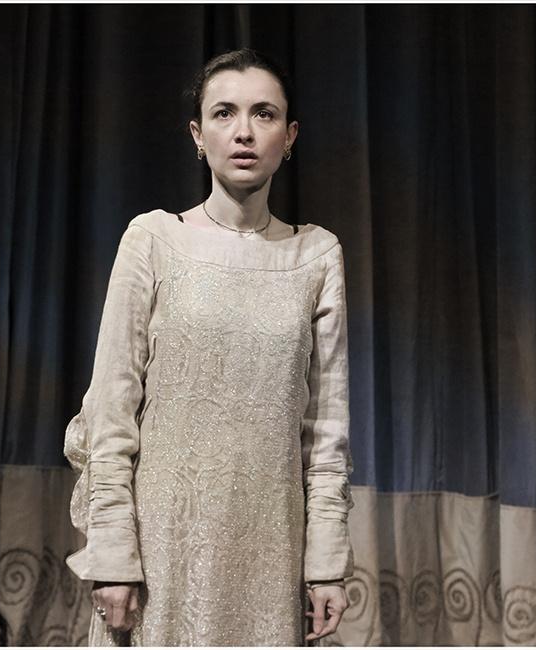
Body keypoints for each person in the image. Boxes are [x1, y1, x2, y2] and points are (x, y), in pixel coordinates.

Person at [63, 48, 355, 646]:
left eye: (264, 114)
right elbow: (112, 411)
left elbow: (325, 430)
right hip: (159, 554)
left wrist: (326, 562)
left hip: (270, 553)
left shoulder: (316, 256)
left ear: (289, 136)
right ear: (198, 135)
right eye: (224, 113)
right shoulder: (153, 240)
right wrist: (113, 554)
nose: (244, 131)